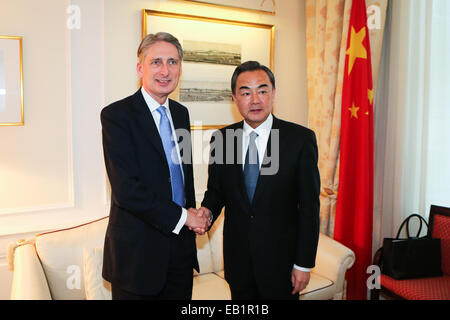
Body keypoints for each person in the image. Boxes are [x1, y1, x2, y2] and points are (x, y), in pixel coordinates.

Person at [197, 61, 321, 300]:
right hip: (238, 262)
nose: (255, 99)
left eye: (262, 90)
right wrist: (205, 214)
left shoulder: (299, 140)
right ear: (234, 97)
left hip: (282, 264)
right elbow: (216, 192)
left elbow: (309, 207)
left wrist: (304, 264)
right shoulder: (223, 139)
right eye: (246, 92)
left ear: (273, 93)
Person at [100, 32, 210, 300]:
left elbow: (182, 179)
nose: (165, 70)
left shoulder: (182, 114)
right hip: (137, 257)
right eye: (156, 62)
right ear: (140, 68)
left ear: (180, 69)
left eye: (172, 62)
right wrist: (185, 217)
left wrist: (195, 216)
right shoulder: (117, 116)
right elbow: (127, 190)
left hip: (180, 254)